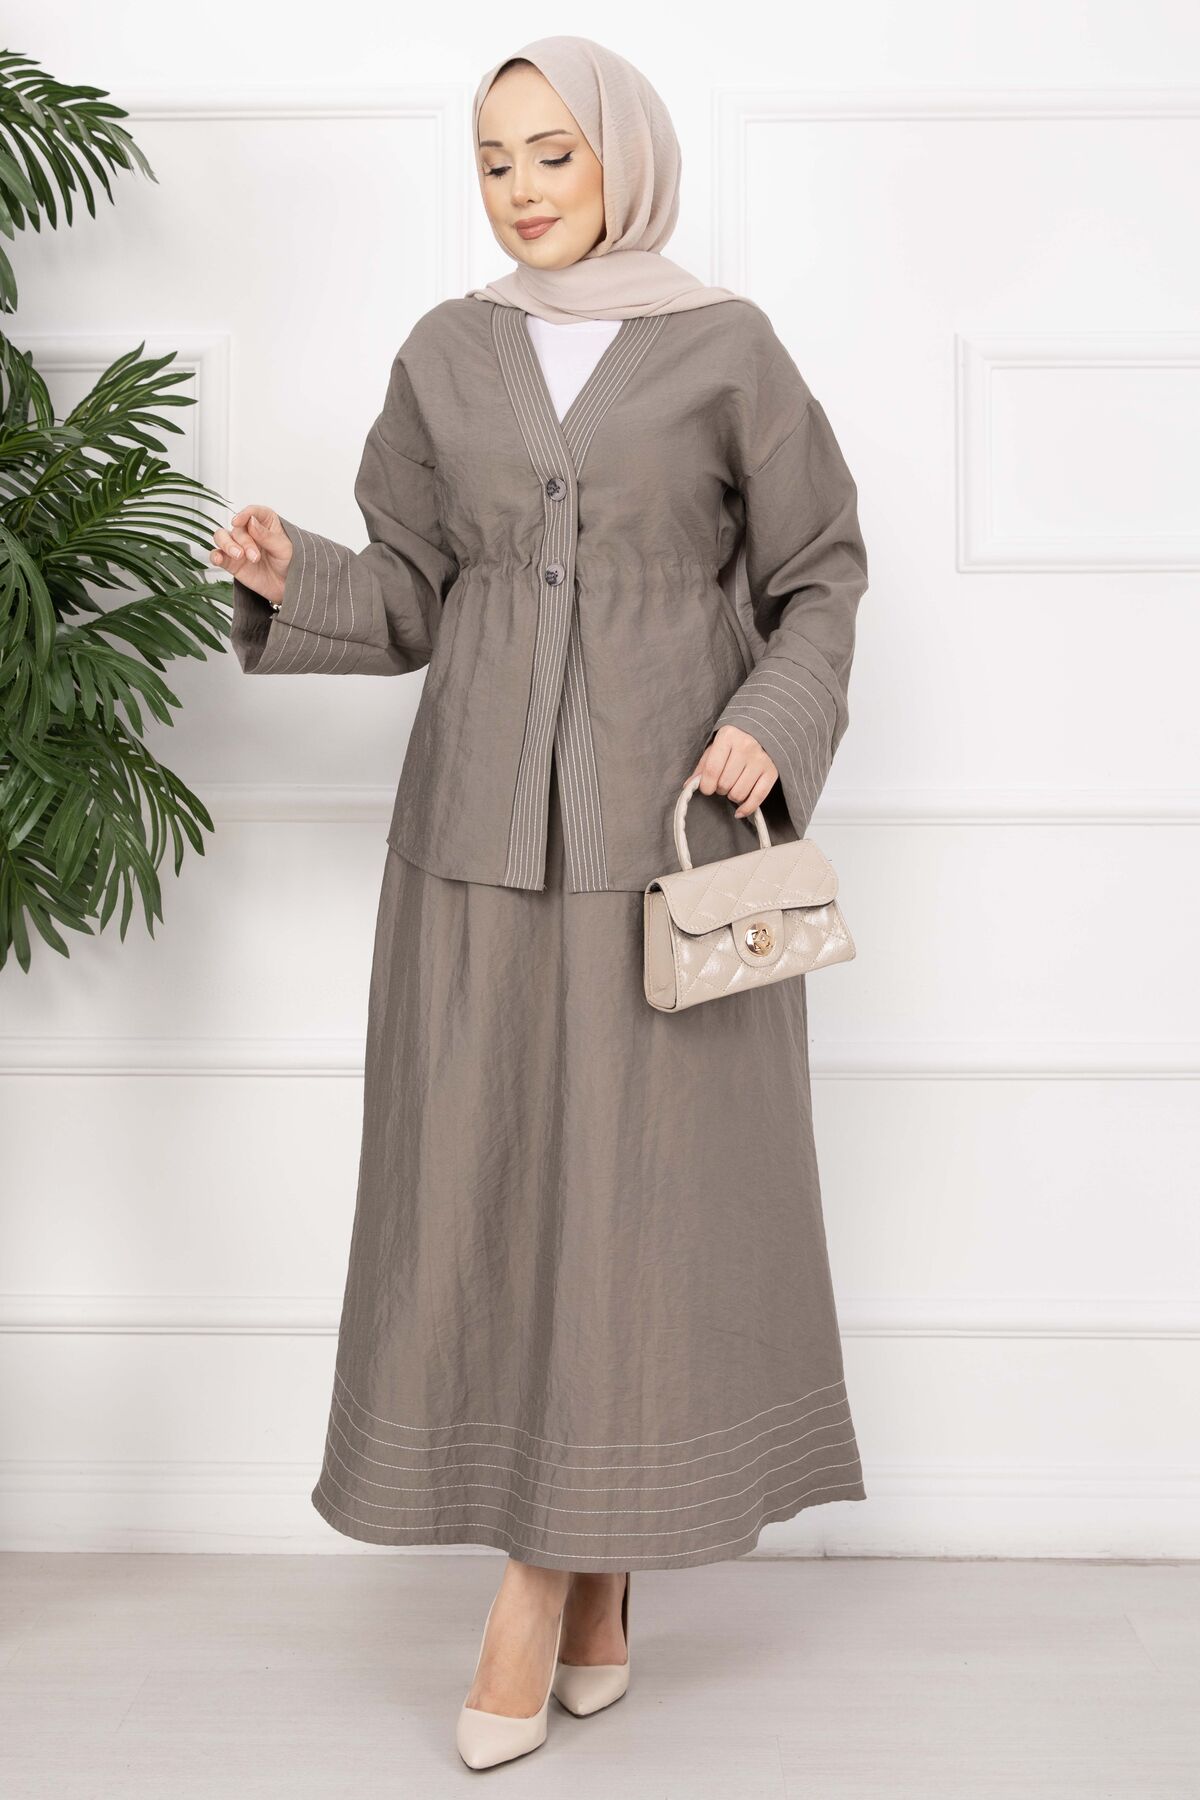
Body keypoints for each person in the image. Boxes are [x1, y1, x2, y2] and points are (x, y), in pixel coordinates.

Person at [214, 35, 870, 1772]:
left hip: (672, 855)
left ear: (624, 158)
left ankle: (534, 1585)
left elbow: (818, 576)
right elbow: (415, 594)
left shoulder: (730, 349)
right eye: (495, 157)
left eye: (553, 152)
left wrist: (773, 717)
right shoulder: (447, 354)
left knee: (639, 1214)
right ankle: (594, 1581)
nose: (520, 187)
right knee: (493, 1199)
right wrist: (294, 577)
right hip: (475, 854)